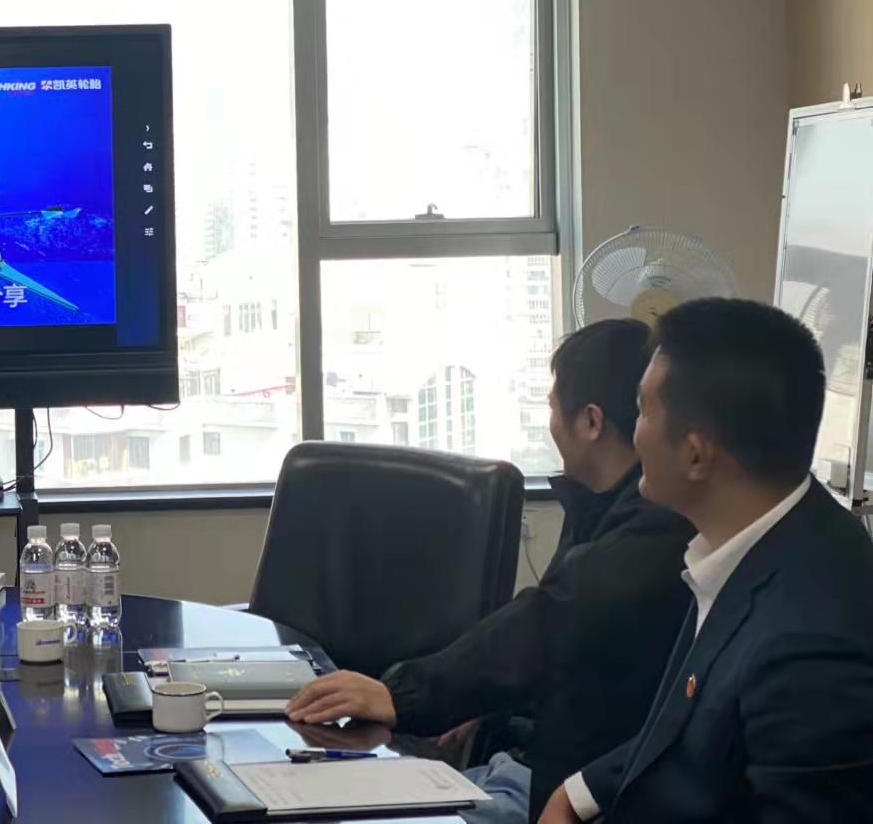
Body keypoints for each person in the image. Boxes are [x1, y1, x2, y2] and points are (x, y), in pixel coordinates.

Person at [287, 319, 694, 823]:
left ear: (590, 421)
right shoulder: (602, 506)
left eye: (552, 407)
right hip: (524, 764)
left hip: (558, 792)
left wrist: (402, 695)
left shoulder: (657, 528)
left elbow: (552, 622)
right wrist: (489, 699)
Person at [540, 298, 873, 823]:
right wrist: (576, 793)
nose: (635, 431)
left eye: (643, 410)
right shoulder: (771, 537)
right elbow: (691, 730)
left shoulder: (808, 647)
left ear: (696, 454)